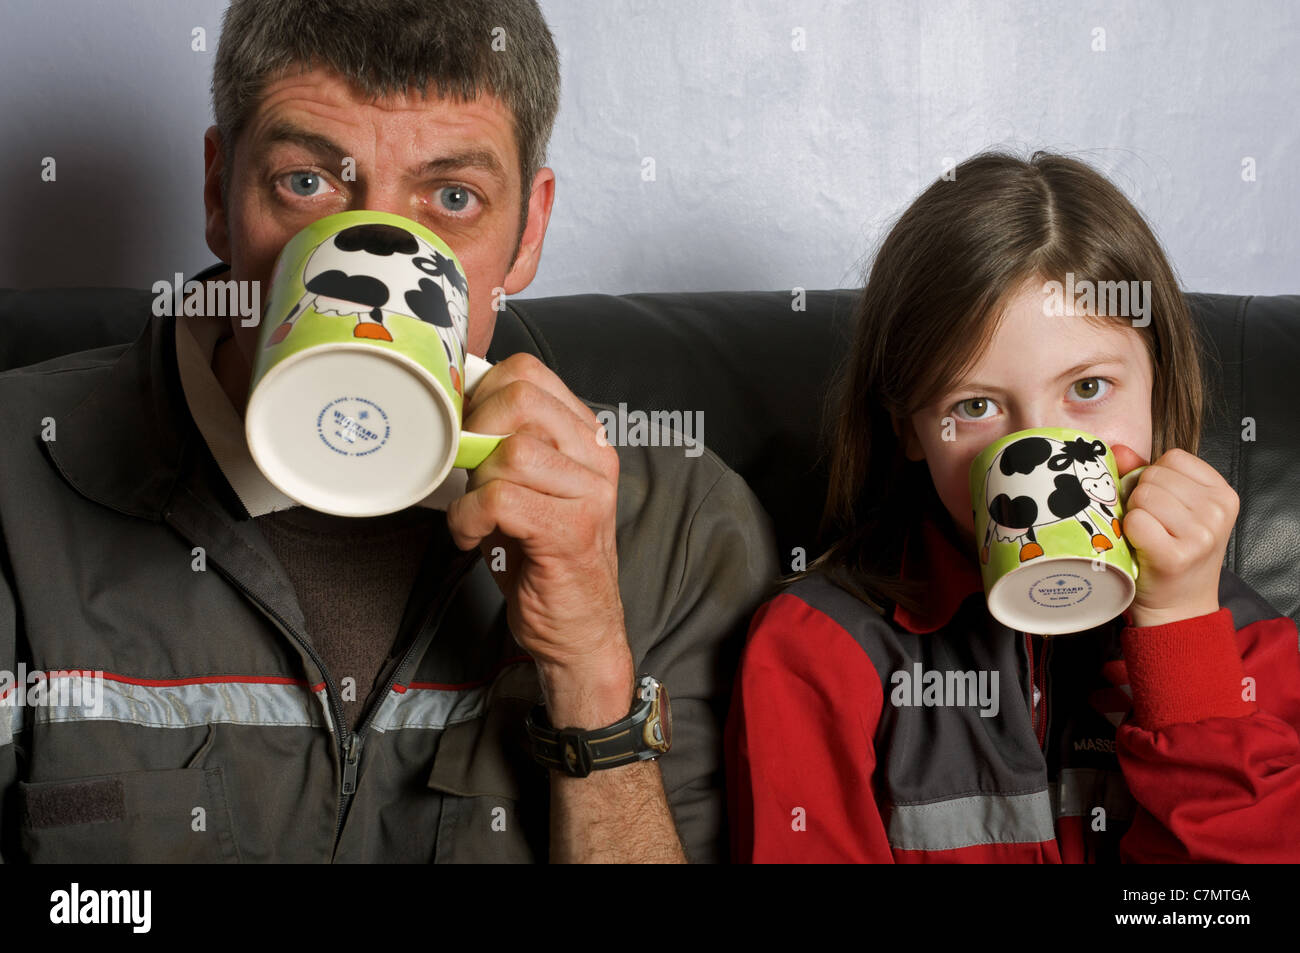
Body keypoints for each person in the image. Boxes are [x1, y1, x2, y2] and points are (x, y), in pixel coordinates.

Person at [0, 0, 777, 863]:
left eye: (453, 197)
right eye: (307, 182)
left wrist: (590, 666)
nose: (375, 248)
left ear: (530, 230)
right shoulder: (13, 476)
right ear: (219, 192)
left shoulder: (676, 525)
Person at [725, 151, 1300, 863]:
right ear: (907, 426)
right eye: (975, 405)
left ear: (1160, 384)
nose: (1037, 446)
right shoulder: (816, 654)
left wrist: (1181, 638)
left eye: (1088, 388)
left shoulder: (1248, 645)